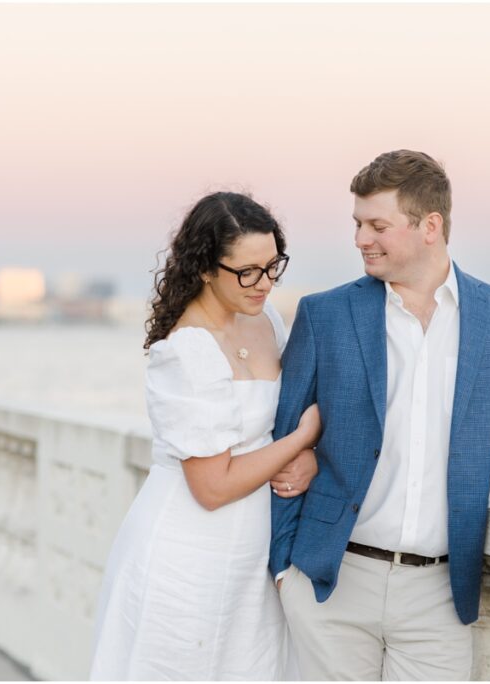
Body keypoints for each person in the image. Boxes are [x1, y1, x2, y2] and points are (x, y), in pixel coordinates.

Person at [270, 150, 490, 680]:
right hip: (331, 583)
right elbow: (285, 437)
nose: (361, 238)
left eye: (377, 225)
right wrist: (282, 571)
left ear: (430, 225)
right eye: (358, 224)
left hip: (439, 596)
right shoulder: (325, 315)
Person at [90, 191, 320, 680]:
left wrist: (310, 455)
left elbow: (275, 428)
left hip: (252, 557)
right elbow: (211, 487)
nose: (264, 284)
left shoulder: (267, 322)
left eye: (272, 266)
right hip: (188, 554)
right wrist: (303, 437)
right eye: (247, 272)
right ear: (206, 269)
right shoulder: (188, 351)